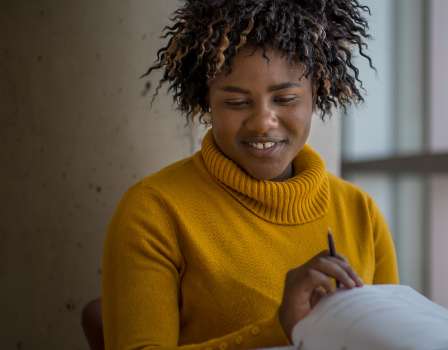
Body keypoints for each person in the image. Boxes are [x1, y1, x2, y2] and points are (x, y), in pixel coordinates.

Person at [101, 0, 398, 349]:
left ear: (317, 92)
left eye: (285, 98)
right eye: (236, 103)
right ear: (205, 101)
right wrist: (278, 329)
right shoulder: (154, 212)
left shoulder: (360, 212)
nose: (262, 123)